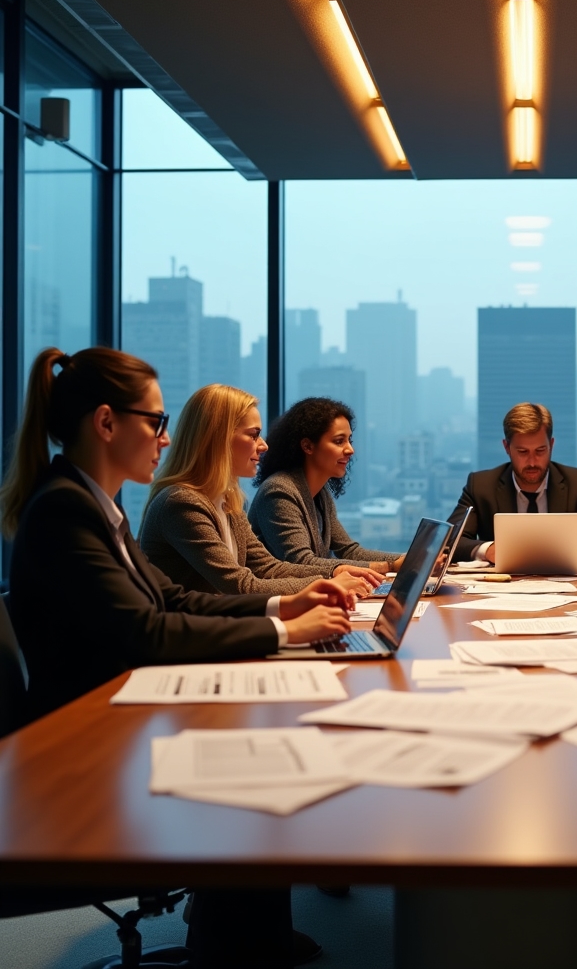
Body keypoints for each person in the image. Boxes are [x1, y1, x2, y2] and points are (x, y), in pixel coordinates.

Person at [0, 347, 354, 968]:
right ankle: (238, 946)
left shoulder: (97, 507)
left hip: (119, 719)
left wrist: (282, 611)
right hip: (84, 757)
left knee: (262, 733)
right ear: (107, 423)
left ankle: (242, 938)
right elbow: (148, 633)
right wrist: (284, 636)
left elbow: (173, 598)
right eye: (155, 422)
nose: (165, 438)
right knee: (258, 755)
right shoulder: (64, 511)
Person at [140, 384, 381, 598]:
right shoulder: (182, 503)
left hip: (220, 630)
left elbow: (267, 567)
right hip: (190, 642)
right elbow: (239, 585)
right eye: (254, 435)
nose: (264, 445)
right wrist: (329, 581)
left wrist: (335, 571)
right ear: (219, 438)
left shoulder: (227, 502)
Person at [447, 402, 577, 565]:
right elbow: (449, 542)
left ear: (551, 445)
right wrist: (488, 550)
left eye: (540, 451)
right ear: (507, 448)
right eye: (522, 452)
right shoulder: (481, 486)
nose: (532, 462)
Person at [249, 397, 403, 574]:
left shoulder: (320, 494)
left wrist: (406, 560)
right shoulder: (278, 492)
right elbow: (301, 562)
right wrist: (390, 566)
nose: (350, 450)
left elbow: (349, 550)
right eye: (339, 441)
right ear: (308, 446)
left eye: (349, 441)